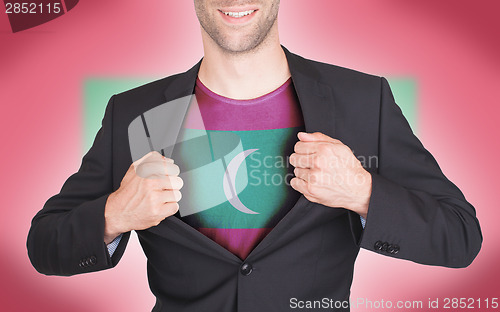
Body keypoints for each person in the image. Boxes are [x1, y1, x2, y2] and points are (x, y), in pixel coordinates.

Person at [27, 1, 482, 311]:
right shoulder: (134, 112)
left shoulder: (363, 100)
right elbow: (44, 245)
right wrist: (114, 214)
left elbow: (460, 236)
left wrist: (363, 192)